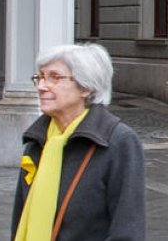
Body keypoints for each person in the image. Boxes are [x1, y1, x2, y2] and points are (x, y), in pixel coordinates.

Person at [12, 43, 145, 241]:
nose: (41, 86)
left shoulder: (118, 141)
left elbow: (128, 228)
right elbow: (19, 217)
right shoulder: (38, 140)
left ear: (85, 87)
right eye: (40, 77)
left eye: (54, 77)